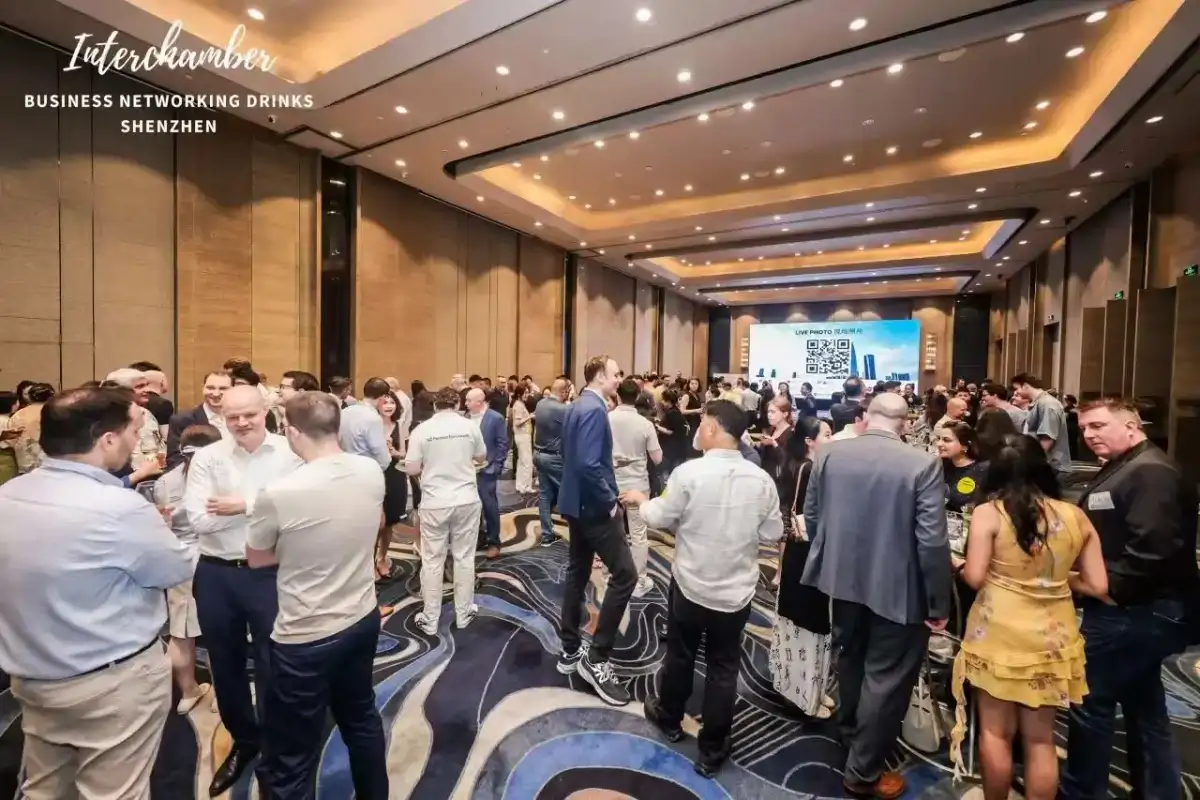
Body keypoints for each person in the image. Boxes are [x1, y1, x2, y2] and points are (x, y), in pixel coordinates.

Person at [0, 386, 195, 799]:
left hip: (33, 676)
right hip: (110, 682)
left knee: (46, 788)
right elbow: (172, 569)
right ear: (107, 439)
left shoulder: (8, 494)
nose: (134, 442)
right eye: (132, 432)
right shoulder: (119, 507)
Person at [801, 392, 951, 799]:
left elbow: (812, 516)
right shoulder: (923, 463)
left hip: (840, 580)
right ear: (905, 423)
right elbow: (931, 542)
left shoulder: (830, 454)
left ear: (867, 416)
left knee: (850, 658)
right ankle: (863, 773)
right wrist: (938, 602)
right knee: (886, 679)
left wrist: (830, 557)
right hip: (898, 589)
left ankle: (851, 733)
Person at [625, 400, 783, 778]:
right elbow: (772, 532)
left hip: (690, 585)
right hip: (736, 593)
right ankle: (712, 749)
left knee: (680, 654)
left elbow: (659, 516)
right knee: (723, 667)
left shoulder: (688, 473)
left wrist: (641, 500)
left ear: (712, 428)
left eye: (701, 424)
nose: (697, 430)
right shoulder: (761, 480)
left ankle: (670, 717)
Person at [950, 434, 1108, 800]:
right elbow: (1098, 584)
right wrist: (1054, 578)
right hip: (1054, 637)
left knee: (995, 733)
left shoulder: (989, 513)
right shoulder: (1075, 516)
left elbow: (974, 576)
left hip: (997, 632)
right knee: (1041, 740)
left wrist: (955, 564)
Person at [1060, 399, 1199, 799]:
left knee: (1090, 700)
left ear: (1132, 426)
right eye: (1084, 428)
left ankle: (1082, 792)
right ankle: (1158, 791)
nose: (1089, 435)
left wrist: (1103, 588)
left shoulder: (1150, 471)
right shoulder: (1129, 464)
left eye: (1098, 426)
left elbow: (1154, 550)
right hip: (1137, 608)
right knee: (1144, 705)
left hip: (1136, 610)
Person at [184, 385, 303, 794]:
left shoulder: (290, 452)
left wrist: (244, 504)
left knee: (275, 659)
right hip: (217, 573)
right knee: (224, 662)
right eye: (232, 416)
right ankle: (244, 739)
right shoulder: (208, 457)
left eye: (248, 414)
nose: (240, 423)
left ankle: (274, 741)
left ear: (265, 409)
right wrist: (266, 505)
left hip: (270, 571)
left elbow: (298, 511)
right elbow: (198, 520)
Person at [557, 354, 637, 706]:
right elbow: (589, 464)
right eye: (616, 374)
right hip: (593, 507)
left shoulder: (578, 405)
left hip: (575, 502)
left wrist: (604, 462)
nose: (619, 379)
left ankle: (570, 648)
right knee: (626, 575)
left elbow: (573, 454)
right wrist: (609, 501)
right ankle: (597, 657)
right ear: (600, 376)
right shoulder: (593, 409)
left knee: (577, 572)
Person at [154, 423, 223, 715]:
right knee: (222, 633)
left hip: (180, 560)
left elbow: (162, 527)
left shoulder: (165, 482)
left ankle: (188, 692)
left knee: (181, 633)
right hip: (216, 559)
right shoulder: (225, 477)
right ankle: (223, 696)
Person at [405, 387, 487, 634]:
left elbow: (411, 468)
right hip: (466, 499)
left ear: (434, 405)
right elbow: (481, 457)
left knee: (432, 560)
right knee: (464, 557)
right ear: (458, 404)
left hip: (435, 502)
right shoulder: (469, 426)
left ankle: (430, 619)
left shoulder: (422, 430)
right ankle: (464, 614)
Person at [770, 415, 835, 718]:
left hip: (801, 552)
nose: (831, 439)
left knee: (802, 621)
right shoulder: (809, 469)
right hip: (808, 552)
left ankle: (806, 688)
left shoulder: (800, 464)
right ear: (810, 441)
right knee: (808, 622)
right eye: (826, 434)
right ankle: (803, 693)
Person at [610, 378, 662, 598]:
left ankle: (611, 575)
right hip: (638, 485)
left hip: (611, 483)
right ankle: (639, 581)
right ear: (638, 397)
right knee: (639, 534)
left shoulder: (606, 419)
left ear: (618, 395)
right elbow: (657, 459)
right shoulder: (645, 424)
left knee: (613, 532)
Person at [465, 387, 508, 558]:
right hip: (468, 470)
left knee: (489, 506)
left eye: (468, 400)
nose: (465, 403)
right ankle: (479, 537)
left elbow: (502, 444)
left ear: (479, 402)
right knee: (471, 506)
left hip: (487, 470)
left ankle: (494, 541)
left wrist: (496, 466)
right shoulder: (465, 418)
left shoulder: (495, 418)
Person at [1011, 373, 1072, 479]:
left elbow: (1047, 438)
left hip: (1051, 466)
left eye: (1017, 389)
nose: (1015, 393)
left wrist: (1032, 461)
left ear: (1025, 386)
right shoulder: (1039, 403)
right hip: (1043, 464)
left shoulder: (1047, 404)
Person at [167, 370, 233, 467]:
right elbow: (175, 460)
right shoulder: (182, 420)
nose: (216, 393)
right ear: (203, 388)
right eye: (210, 388)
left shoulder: (241, 418)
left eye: (223, 388)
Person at [375, 391, 408, 579]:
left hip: (395, 474)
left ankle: (382, 558)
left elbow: (404, 453)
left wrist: (394, 451)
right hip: (376, 474)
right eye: (385, 402)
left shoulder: (399, 425)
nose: (389, 405)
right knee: (375, 521)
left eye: (392, 402)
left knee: (389, 521)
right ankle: (369, 561)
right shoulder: (373, 425)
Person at [534, 379, 569, 546]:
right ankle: (579, 537)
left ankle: (547, 535)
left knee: (544, 496)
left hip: (539, 454)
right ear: (564, 392)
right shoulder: (562, 409)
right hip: (555, 458)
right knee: (569, 494)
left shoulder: (540, 404)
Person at [936, 422, 987, 513]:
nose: (939, 444)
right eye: (938, 439)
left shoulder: (981, 470)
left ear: (964, 446)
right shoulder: (939, 465)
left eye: (946, 440)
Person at [655, 388, 690, 480]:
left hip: (672, 449)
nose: (662, 402)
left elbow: (670, 431)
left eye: (663, 400)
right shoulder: (675, 411)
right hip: (677, 447)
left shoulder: (672, 413)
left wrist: (657, 427)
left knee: (670, 473)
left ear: (668, 401)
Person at [510, 384, 535, 495]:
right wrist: (530, 416)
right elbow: (518, 422)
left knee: (521, 461)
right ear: (520, 394)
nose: (527, 395)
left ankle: (520, 485)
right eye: (525, 393)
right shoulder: (519, 405)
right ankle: (526, 486)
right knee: (527, 462)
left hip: (522, 435)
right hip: (523, 435)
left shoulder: (519, 404)